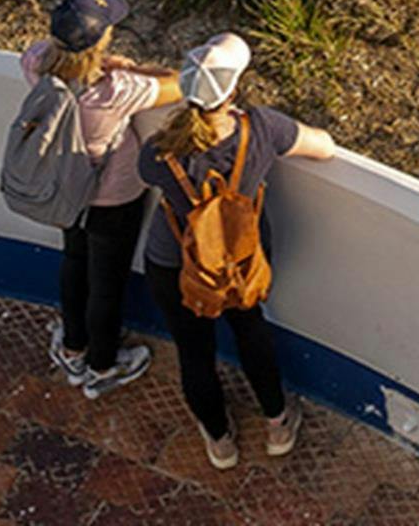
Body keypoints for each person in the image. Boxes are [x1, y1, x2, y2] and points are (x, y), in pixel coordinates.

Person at [141, 32, 335, 469]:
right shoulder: (261, 128)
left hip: (174, 266)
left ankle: (220, 441)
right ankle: (277, 423)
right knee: (252, 334)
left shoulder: (159, 152)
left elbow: (152, 172)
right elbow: (324, 147)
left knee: (194, 353)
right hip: (240, 264)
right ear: (234, 89)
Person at [20, 0, 181, 399]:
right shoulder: (116, 91)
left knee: (74, 262)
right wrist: (129, 66)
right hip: (114, 199)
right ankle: (102, 366)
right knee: (106, 284)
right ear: (101, 41)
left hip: (64, 192)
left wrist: (97, 62)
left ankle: (73, 347)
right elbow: (181, 83)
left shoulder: (38, 65)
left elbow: (43, 54)